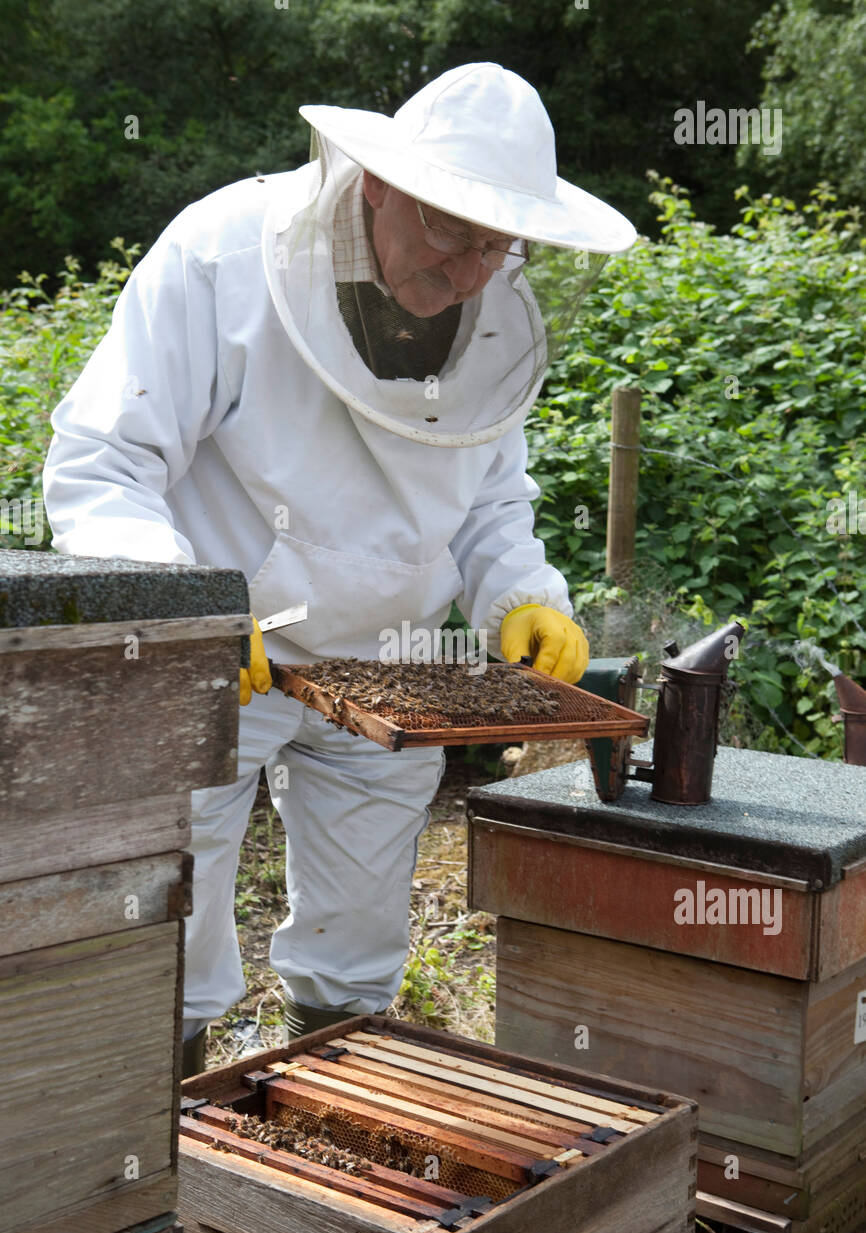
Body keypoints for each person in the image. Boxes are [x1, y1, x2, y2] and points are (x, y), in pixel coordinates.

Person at [42, 63, 636, 1074]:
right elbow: (105, 461)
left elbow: (490, 497)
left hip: (389, 667)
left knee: (356, 935)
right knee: (169, 917)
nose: (471, 272)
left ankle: (329, 1135)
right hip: (226, 655)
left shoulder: (495, 306)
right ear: (375, 184)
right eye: (452, 233)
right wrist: (186, 612)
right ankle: (153, 1159)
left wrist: (523, 596)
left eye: (500, 244)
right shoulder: (221, 254)